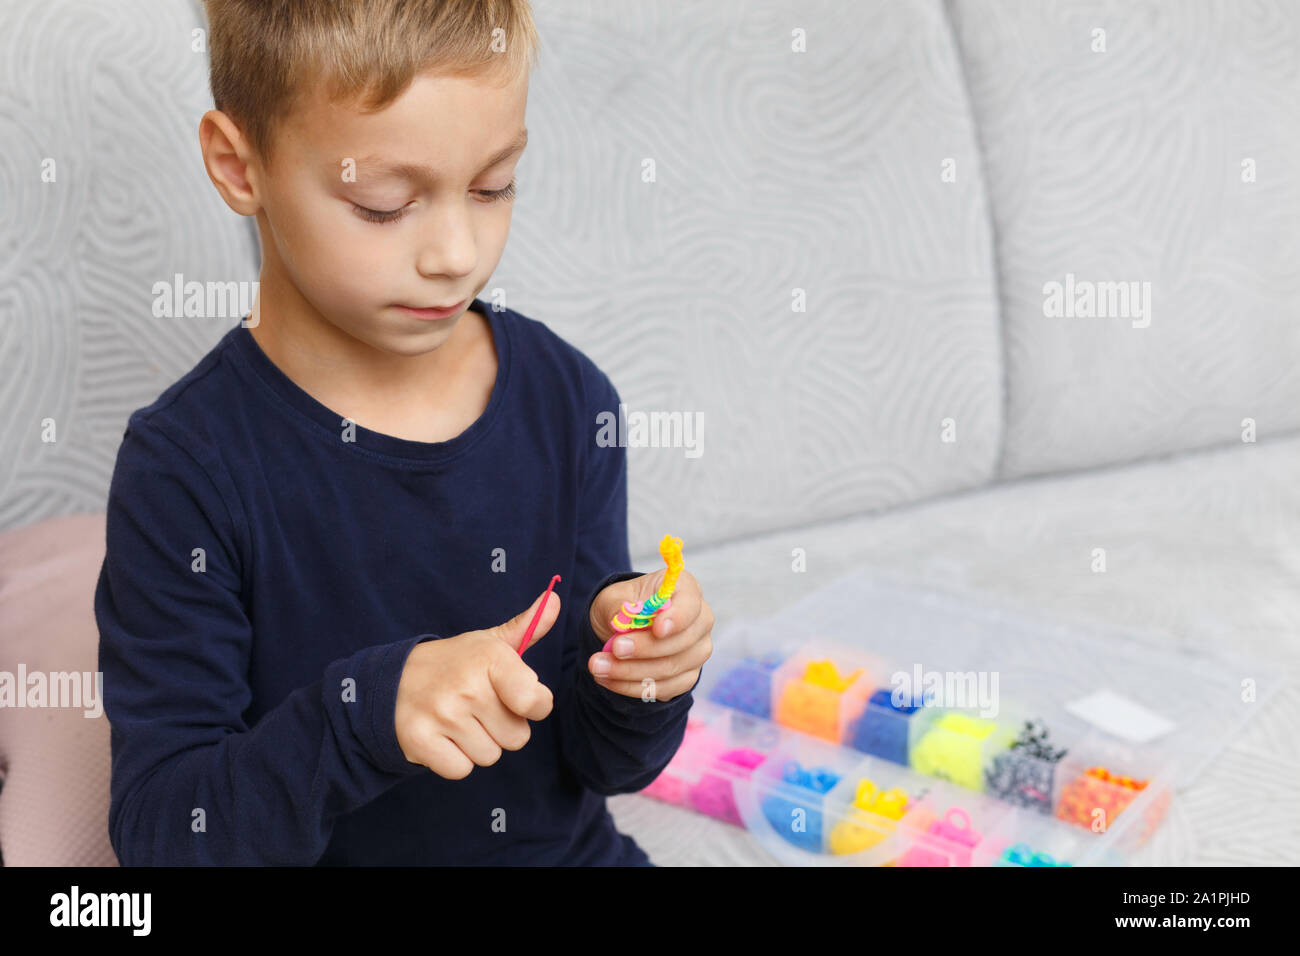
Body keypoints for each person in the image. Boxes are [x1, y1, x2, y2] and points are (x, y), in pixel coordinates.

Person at [93, 0, 714, 866]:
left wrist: (638, 681)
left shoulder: (569, 400)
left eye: (493, 186)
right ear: (240, 166)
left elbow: (601, 763)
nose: (457, 252)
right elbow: (166, 833)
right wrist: (366, 715)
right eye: (384, 204)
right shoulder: (187, 468)